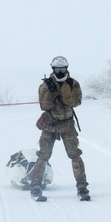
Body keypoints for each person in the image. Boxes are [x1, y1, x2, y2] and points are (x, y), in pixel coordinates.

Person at [28, 56, 90, 202]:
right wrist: (51, 93)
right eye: (57, 69)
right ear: (53, 69)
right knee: (43, 155)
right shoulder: (45, 86)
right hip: (50, 126)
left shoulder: (73, 84)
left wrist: (65, 92)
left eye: (63, 69)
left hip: (67, 125)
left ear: (67, 68)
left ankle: (82, 186)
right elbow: (44, 106)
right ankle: (36, 184)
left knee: (75, 155)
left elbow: (76, 102)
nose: (60, 71)